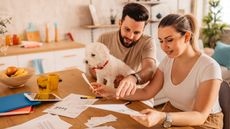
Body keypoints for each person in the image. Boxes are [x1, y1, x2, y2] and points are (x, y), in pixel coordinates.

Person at [90, 13, 223, 129]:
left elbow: (199, 116)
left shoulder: (209, 67)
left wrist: (162, 116)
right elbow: (146, 92)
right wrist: (112, 92)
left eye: (169, 40)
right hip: (173, 113)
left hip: (203, 123)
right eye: (161, 41)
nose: (164, 47)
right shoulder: (168, 61)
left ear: (187, 37)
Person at [87, 3, 157, 95]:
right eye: (127, 29)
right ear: (120, 23)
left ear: (143, 30)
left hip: (134, 93)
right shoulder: (104, 38)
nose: (130, 36)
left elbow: (149, 69)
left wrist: (133, 78)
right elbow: (92, 68)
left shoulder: (147, 42)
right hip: (106, 91)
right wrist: (109, 77)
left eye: (136, 32)